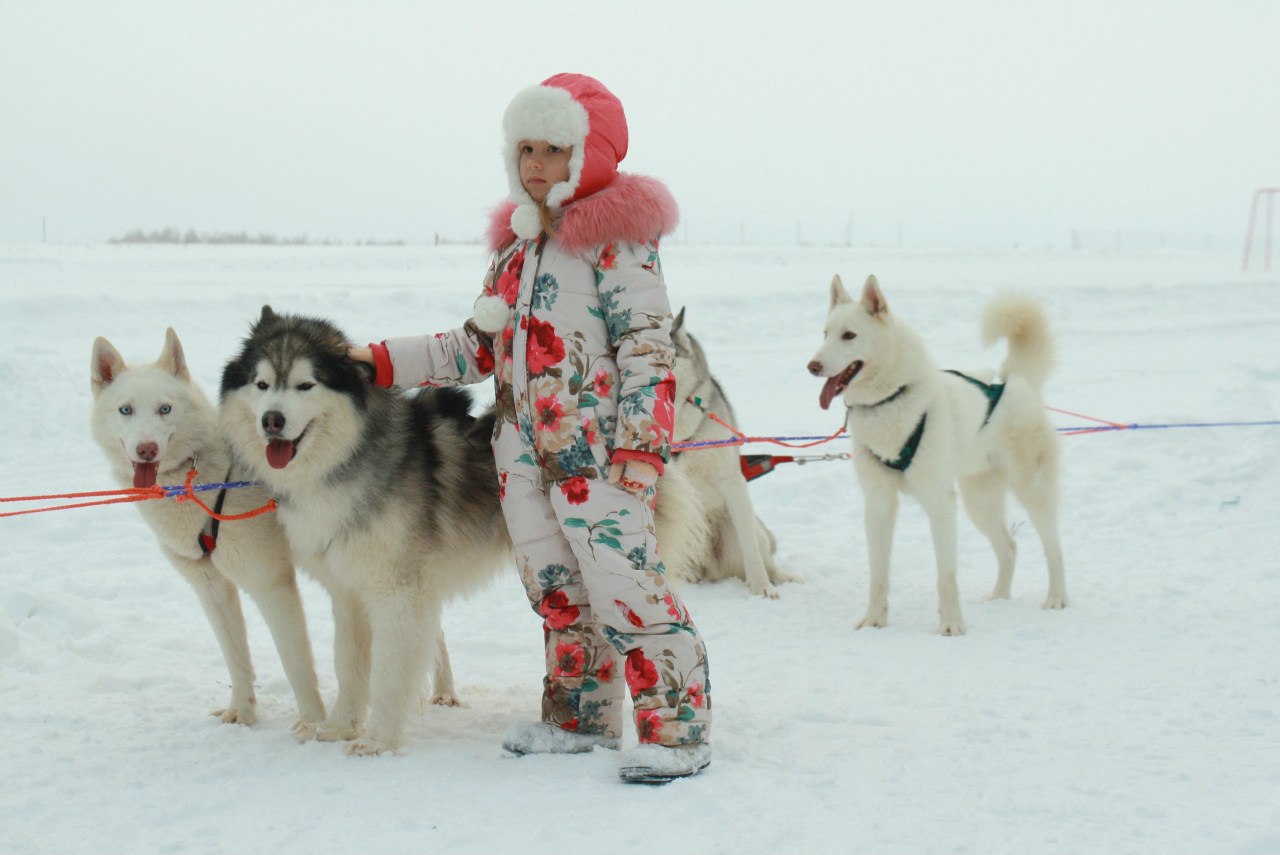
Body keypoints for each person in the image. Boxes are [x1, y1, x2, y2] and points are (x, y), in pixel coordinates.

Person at [349, 73, 711, 783]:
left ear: (589, 152)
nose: (537, 163)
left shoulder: (620, 242)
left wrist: (642, 444)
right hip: (519, 454)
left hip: (598, 453)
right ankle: (578, 719)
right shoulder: (514, 252)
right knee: (554, 587)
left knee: (624, 585)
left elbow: (647, 345)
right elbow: (474, 348)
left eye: (554, 147)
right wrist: (383, 361)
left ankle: (677, 726)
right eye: (526, 149)